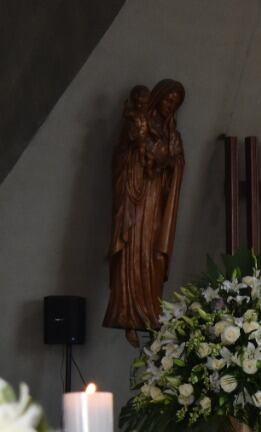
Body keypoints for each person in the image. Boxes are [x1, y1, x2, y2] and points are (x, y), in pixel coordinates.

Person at [105, 79, 186, 346]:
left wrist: (169, 162)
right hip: (135, 197)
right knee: (132, 250)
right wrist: (139, 158)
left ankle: (150, 312)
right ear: (156, 98)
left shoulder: (172, 134)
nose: (168, 106)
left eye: (173, 104)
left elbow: (177, 165)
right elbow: (120, 157)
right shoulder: (138, 124)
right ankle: (127, 312)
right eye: (166, 100)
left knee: (152, 255)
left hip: (155, 201)